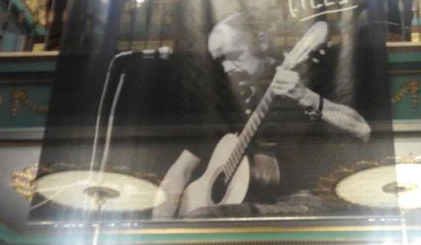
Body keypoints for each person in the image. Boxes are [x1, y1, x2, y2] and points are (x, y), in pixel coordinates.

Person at [151, 14, 371, 219]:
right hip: (248, 208)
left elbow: (362, 130)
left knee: (204, 217)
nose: (228, 68)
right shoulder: (226, 104)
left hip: (303, 204)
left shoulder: (309, 78)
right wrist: (159, 232)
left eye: (234, 56)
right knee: (202, 215)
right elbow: (180, 171)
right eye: (221, 61)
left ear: (262, 43)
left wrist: (307, 97)